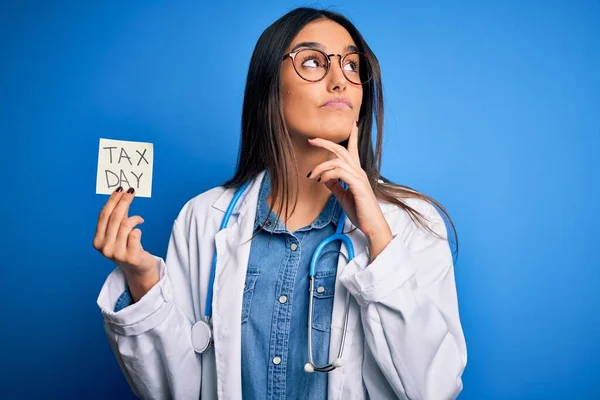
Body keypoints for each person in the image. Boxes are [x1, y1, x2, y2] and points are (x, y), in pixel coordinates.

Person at [94, 6, 467, 400]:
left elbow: (434, 390)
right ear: (269, 85)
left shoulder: (411, 223)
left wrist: (378, 238)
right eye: (313, 62)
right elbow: (178, 392)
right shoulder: (204, 218)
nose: (340, 79)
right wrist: (141, 279)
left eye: (353, 66)